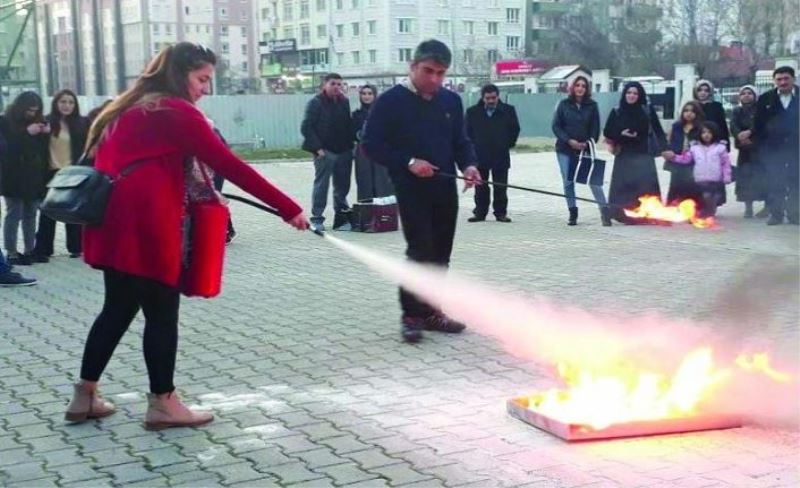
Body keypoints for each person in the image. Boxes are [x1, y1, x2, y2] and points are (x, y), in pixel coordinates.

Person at [65, 43, 309, 430]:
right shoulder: (175, 111)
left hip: (112, 223)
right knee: (162, 313)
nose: (205, 89)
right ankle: (163, 403)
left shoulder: (127, 108)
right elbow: (228, 164)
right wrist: (287, 207)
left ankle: (84, 395)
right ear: (181, 75)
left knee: (117, 308)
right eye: (202, 79)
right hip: (148, 225)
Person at [361, 39, 482, 343]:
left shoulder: (451, 102)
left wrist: (469, 166)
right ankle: (411, 315)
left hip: (444, 187)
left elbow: (461, 141)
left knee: (441, 253)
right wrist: (409, 162)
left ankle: (432, 312)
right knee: (420, 251)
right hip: (411, 187)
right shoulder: (390, 101)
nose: (435, 79)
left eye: (441, 73)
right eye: (429, 71)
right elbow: (371, 145)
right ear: (413, 66)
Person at [31, 89, 89, 262]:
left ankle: (76, 247)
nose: (67, 105)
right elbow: (36, 148)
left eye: (70, 102)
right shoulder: (46, 122)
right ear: (56, 103)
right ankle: (43, 249)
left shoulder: (81, 123)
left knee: (72, 211)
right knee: (48, 212)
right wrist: (43, 134)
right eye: (63, 102)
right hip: (51, 172)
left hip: (72, 172)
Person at [550, 76, 610, 226]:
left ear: (587, 89)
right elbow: (556, 126)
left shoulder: (592, 106)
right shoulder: (563, 105)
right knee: (568, 181)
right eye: (577, 85)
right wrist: (569, 141)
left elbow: (595, 129)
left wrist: (587, 143)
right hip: (565, 149)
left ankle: (605, 211)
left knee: (594, 181)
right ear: (572, 87)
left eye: (583, 86)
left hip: (585, 149)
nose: (580, 88)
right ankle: (573, 212)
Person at [603, 82, 666, 223]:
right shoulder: (617, 110)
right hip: (624, 153)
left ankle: (648, 214)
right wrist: (621, 133)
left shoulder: (647, 110)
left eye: (635, 93)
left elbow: (657, 129)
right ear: (624, 94)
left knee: (645, 184)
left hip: (643, 153)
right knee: (624, 186)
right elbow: (608, 131)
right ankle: (622, 214)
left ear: (640, 95)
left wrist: (665, 148)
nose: (631, 96)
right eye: (629, 93)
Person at [0, 91, 50, 265]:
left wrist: (45, 133)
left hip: (33, 176)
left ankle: (30, 250)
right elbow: (7, 148)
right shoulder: (5, 122)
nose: (31, 114)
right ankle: (12, 252)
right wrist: (26, 133)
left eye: (35, 111)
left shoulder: (38, 122)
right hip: (12, 177)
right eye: (29, 110)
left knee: (31, 214)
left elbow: (42, 152)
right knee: (14, 214)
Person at [301, 73, 354, 232]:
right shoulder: (316, 103)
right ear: (324, 84)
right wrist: (317, 148)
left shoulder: (344, 102)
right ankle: (317, 219)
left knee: (342, 187)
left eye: (340, 84)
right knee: (321, 186)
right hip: (324, 152)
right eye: (333, 84)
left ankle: (341, 218)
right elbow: (307, 127)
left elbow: (347, 125)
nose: (337, 87)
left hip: (344, 150)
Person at [466, 83, 520, 223]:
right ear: (482, 98)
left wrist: (506, 144)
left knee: (500, 186)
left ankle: (500, 213)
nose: (491, 101)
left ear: (498, 96)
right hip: (479, 155)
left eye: (493, 98)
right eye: (487, 98)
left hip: (500, 154)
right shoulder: (473, 112)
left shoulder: (508, 110)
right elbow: (467, 132)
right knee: (480, 186)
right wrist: (472, 148)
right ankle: (480, 213)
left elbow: (515, 129)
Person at [753, 66, 799, 225]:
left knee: (796, 182)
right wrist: (761, 149)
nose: (783, 82)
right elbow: (758, 125)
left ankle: (795, 214)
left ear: (793, 79)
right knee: (775, 182)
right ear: (774, 81)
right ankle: (776, 214)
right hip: (773, 150)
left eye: (786, 78)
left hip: (796, 149)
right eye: (779, 79)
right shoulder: (765, 99)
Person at [664, 122, 732, 217]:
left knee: (715, 197)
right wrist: (674, 157)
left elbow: (725, 164)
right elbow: (686, 159)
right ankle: (705, 214)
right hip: (700, 179)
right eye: (704, 132)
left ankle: (710, 212)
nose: (706, 135)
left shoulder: (720, 148)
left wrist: (727, 176)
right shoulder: (694, 148)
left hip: (716, 179)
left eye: (709, 132)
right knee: (705, 196)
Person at [731, 85, 768, 218]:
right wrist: (739, 135)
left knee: (762, 177)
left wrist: (750, 133)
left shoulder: (760, 109)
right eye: (743, 93)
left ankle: (767, 207)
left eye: (749, 93)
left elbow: (761, 125)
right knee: (745, 178)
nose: (746, 96)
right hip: (744, 150)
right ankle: (748, 207)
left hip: (758, 149)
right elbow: (733, 125)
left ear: (755, 95)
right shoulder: (737, 110)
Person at [352, 84, 393, 201]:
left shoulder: (383, 112)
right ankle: (367, 213)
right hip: (363, 152)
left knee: (382, 181)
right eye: (364, 93)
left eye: (370, 93)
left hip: (381, 150)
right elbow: (353, 133)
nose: (366, 96)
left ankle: (385, 212)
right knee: (365, 182)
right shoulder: (356, 115)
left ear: (375, 95)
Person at [664, 100, 704, 205]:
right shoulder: (676, 126)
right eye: (686, 110)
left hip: (693, 162)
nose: (689, 113)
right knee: (675, 185)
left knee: (692, 186)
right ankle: (672, 207)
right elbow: (668, 141)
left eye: (692, 111)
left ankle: (694, 210)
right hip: (676, 160)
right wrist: (667, 152)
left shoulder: (701, 128)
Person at [693, 80, 731, 149]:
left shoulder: (717, 106)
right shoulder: (692, 106)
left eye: (706, 90)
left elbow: (722, 125)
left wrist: (725, 144)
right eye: (700, 90)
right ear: (695, 92)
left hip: (714, 141)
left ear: (710, 92)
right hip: (696, 142)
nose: (703, 93)